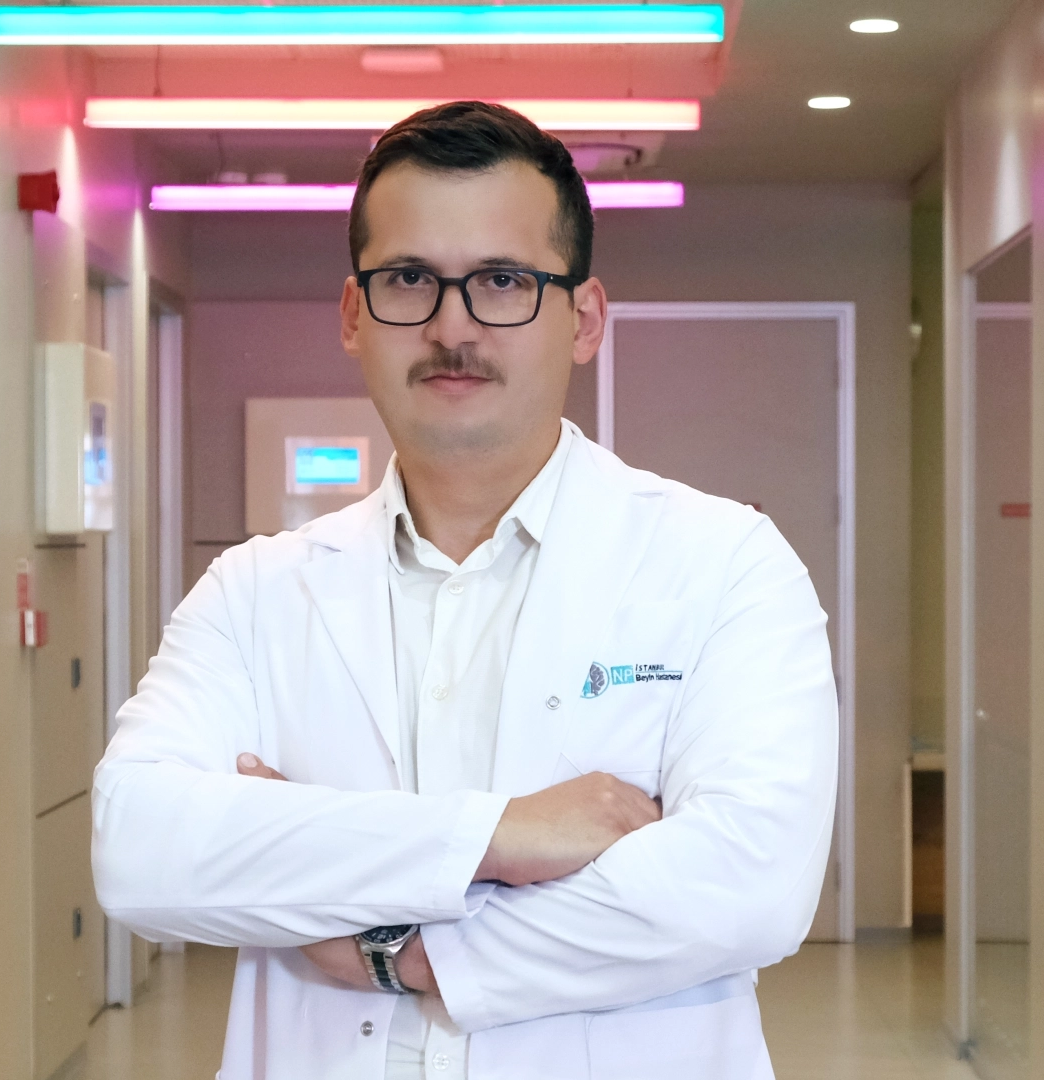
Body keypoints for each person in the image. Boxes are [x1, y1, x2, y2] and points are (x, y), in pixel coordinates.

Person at [92, 101, 838, 1080]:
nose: (453, 325)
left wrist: (392, 948)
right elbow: (140, 850)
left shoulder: (724, 564)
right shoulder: (255, 593)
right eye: (409, 278)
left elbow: (746, 889)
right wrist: (504, 834)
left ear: (585, 319)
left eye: (503, 280)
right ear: (354, 316)